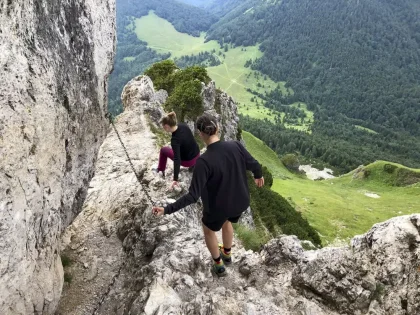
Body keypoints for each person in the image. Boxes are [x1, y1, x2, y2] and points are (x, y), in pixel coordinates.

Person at [152, 114, 264, 277]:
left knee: (208, 229)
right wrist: (258, 175)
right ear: (218, 128)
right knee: (227, 221)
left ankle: (218, 265)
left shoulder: (203, 162)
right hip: (241, 201)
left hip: (219, 208)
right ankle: (227, 254)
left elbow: (192, 196)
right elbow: (254, 164)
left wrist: (166, 209)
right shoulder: (235, 145)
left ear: (200, 134)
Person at [157, 112, 200, 190]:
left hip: (188, 162)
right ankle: (193, 167)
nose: (163, 128)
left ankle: (161, 170)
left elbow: (177, 159)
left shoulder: (175, 140)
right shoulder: (183, 125)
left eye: (163, 127)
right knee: (186, 146)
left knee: (163, 150)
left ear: (166, 126)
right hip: (197, 155)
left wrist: (175, 179)